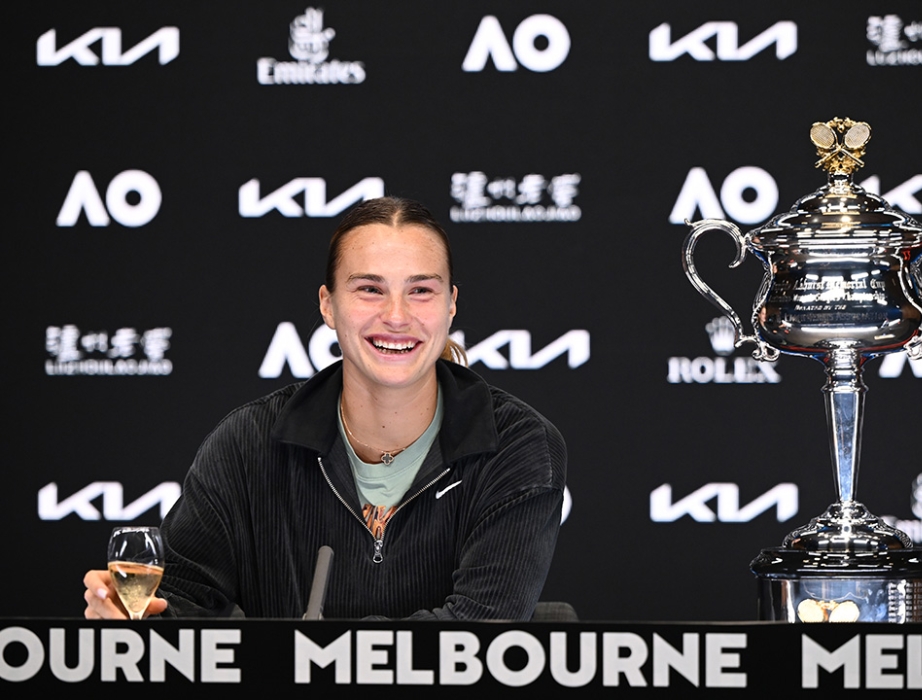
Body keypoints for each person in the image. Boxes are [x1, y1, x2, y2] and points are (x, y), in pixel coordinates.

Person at [84, 196, 567, 620]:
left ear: (450, 305)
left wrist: (308, 656)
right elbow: (176, 604)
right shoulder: (249, 442)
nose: (396, 316)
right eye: (369, 289)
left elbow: (476, 633)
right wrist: (129, 616)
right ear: (327, 305)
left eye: (421, 290)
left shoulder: (516, 444)